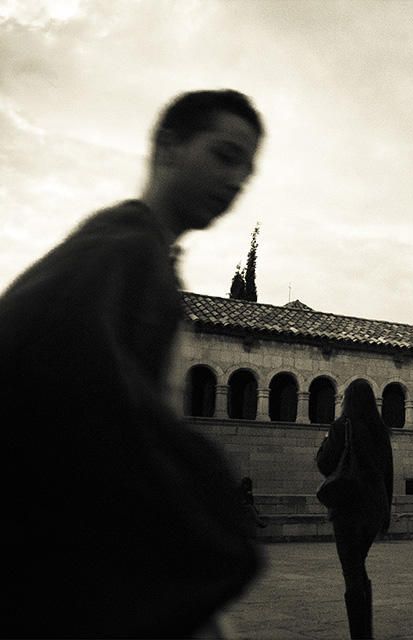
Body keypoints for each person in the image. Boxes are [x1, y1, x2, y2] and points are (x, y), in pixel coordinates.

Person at [0, 89, 264, 637]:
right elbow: (93, 401)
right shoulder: (123, 249)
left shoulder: (134, 252)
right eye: (224, 155)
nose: (236, 180)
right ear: (167, 146)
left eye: (247, 169)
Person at [316, 379, 394, 639]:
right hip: (373, 510)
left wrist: (325, 441)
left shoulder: (341, 427)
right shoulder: (381, 431)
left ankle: (361, 635)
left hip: (347, 507)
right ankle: (364, 632)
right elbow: (388, 475)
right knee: (358, 566)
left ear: (347, 400)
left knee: (351, 570)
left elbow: (326, 465)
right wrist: (386, 513)